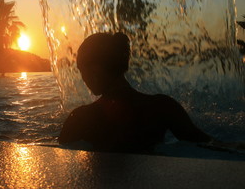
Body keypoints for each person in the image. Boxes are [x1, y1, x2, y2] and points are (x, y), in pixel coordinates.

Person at [59, 33, 212, 153]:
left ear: (94, 70)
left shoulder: (80, 118)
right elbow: (209, 145)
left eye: (82, 70)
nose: (83, 78)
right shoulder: (163, 106)